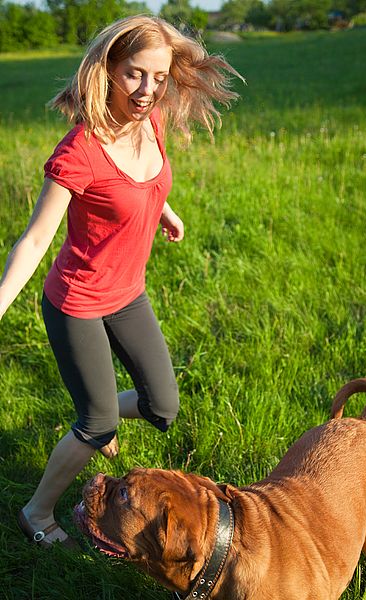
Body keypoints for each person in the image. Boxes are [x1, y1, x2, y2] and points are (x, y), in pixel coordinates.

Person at [0, 14, 242, 548]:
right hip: (78, 302)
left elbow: (141, 178)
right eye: (136, 74)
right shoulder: (77, 152)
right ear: (108, 68)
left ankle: (98, 408)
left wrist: (163, 209)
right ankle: (37, 512)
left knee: (163, 406)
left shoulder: (148, 123)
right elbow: (36, 240)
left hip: (128, 294)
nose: (148, 90)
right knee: (98, 422)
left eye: (158, 78)